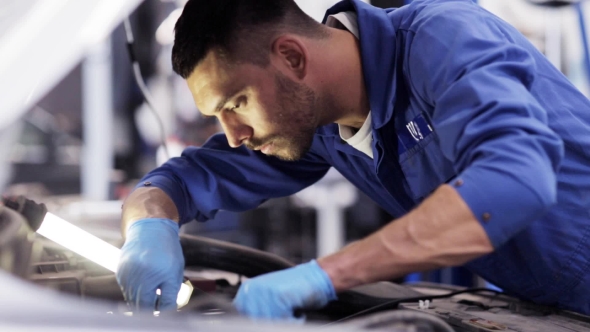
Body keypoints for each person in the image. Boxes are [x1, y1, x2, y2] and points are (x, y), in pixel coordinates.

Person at [116, 0, 590, 320]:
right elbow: (186, 178)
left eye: (236, 102)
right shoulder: (319, 126)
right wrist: (147, 228)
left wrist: (325, 275)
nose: (234, 135)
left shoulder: (441, 38)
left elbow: (515, 180)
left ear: (292, 58)